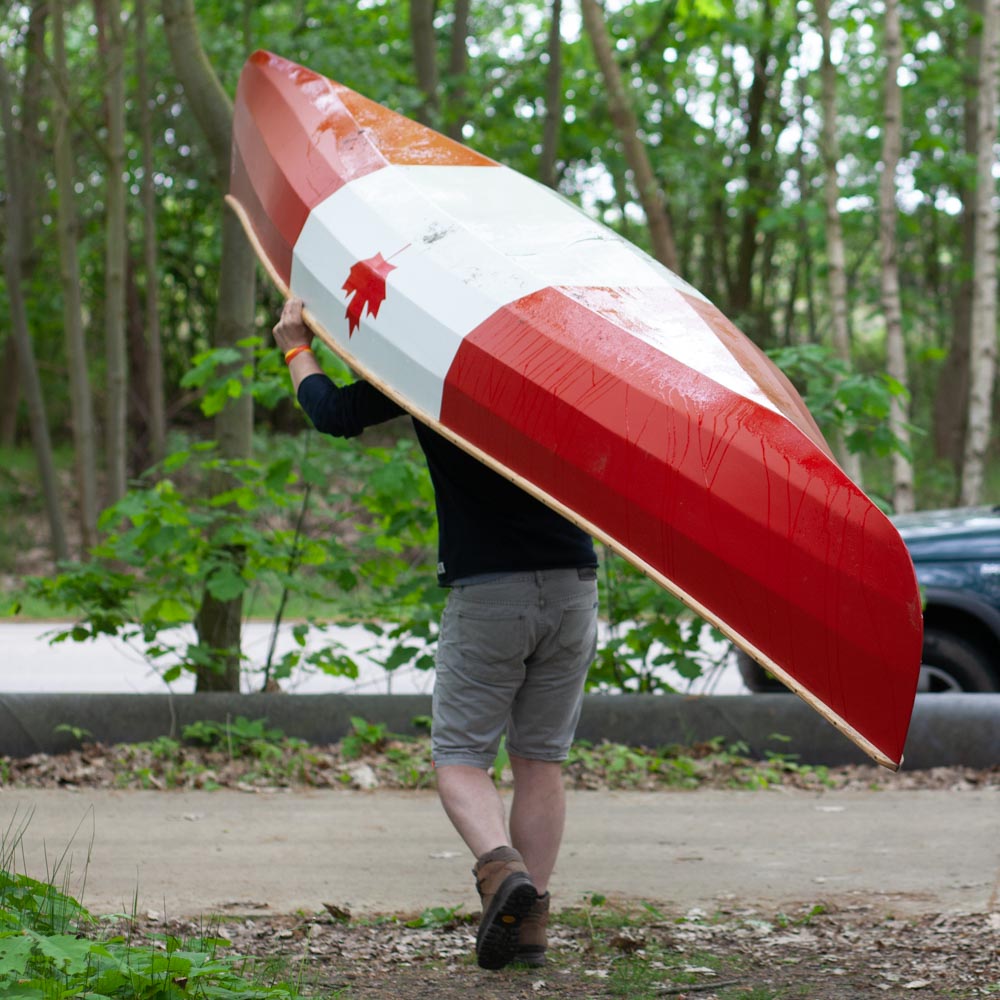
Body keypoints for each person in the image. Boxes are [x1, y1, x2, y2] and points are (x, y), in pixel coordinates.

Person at [272, 298, 599, 971]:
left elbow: (333, 414)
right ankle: (532, 921)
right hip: (574, 581)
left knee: (460, 759)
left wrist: (294, 344)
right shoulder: (561, 369)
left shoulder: (431, 369)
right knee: (540, 759)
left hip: (489, 589)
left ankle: (500, 873)